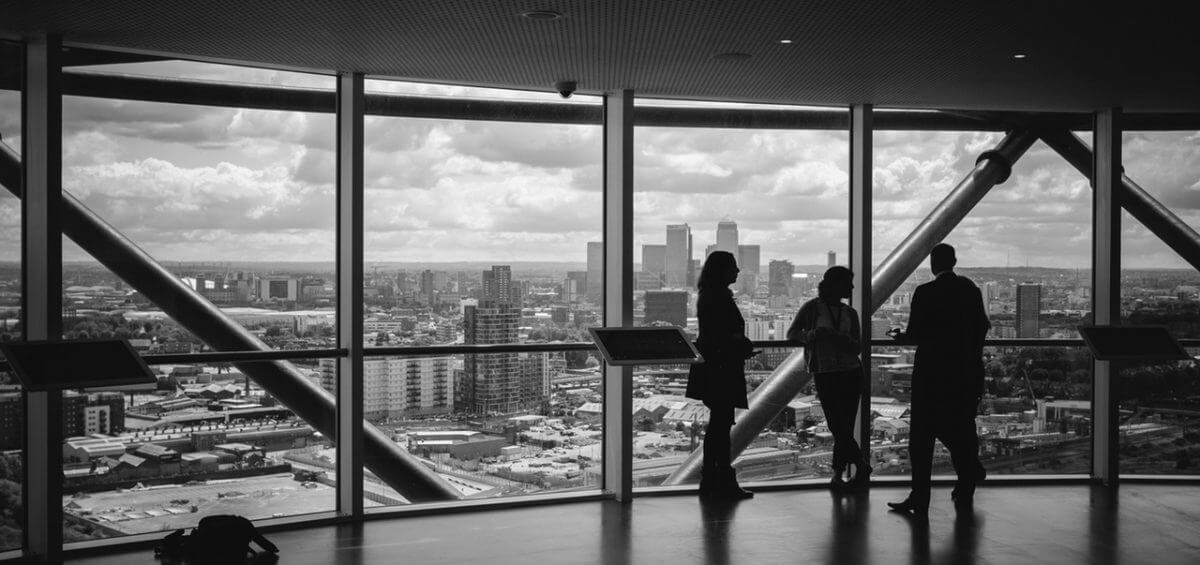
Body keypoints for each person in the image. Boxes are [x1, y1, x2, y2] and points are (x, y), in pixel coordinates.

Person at [887, 243, 990, 515]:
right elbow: (982, 327)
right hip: (965, 373)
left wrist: (900, 338)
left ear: (933, 264)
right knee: (962, 427)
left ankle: (920, 496)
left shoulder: (925, 292)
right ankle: (966, 481)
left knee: (922, 438)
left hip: (932, 374)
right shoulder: (971, 290)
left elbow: (916, 334)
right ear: (954, 261)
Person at [787, 266, 869, 491]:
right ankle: (860, 464)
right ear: (836, 285)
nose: (852, 287)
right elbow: (792, 334)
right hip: (829, 372)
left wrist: (835, 337)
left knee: (843, 426)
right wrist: (812, 336)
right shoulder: (812, 309)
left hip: (848, 372)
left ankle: (837, 475)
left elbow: (857, 347)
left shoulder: (849, 313)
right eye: (848, 283)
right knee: (838, 426)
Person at [686, 251, 756, 499]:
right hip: (722, 369)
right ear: (722, 271)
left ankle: (713, 480)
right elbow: (723, 334)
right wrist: (740, 344)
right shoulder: (719, 298)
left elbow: (714, 334)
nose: (737, 272)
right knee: (720, 426)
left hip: (714, 367)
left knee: (718, 426)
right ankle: (721, 480)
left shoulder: (709, 296)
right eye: (734, 267)